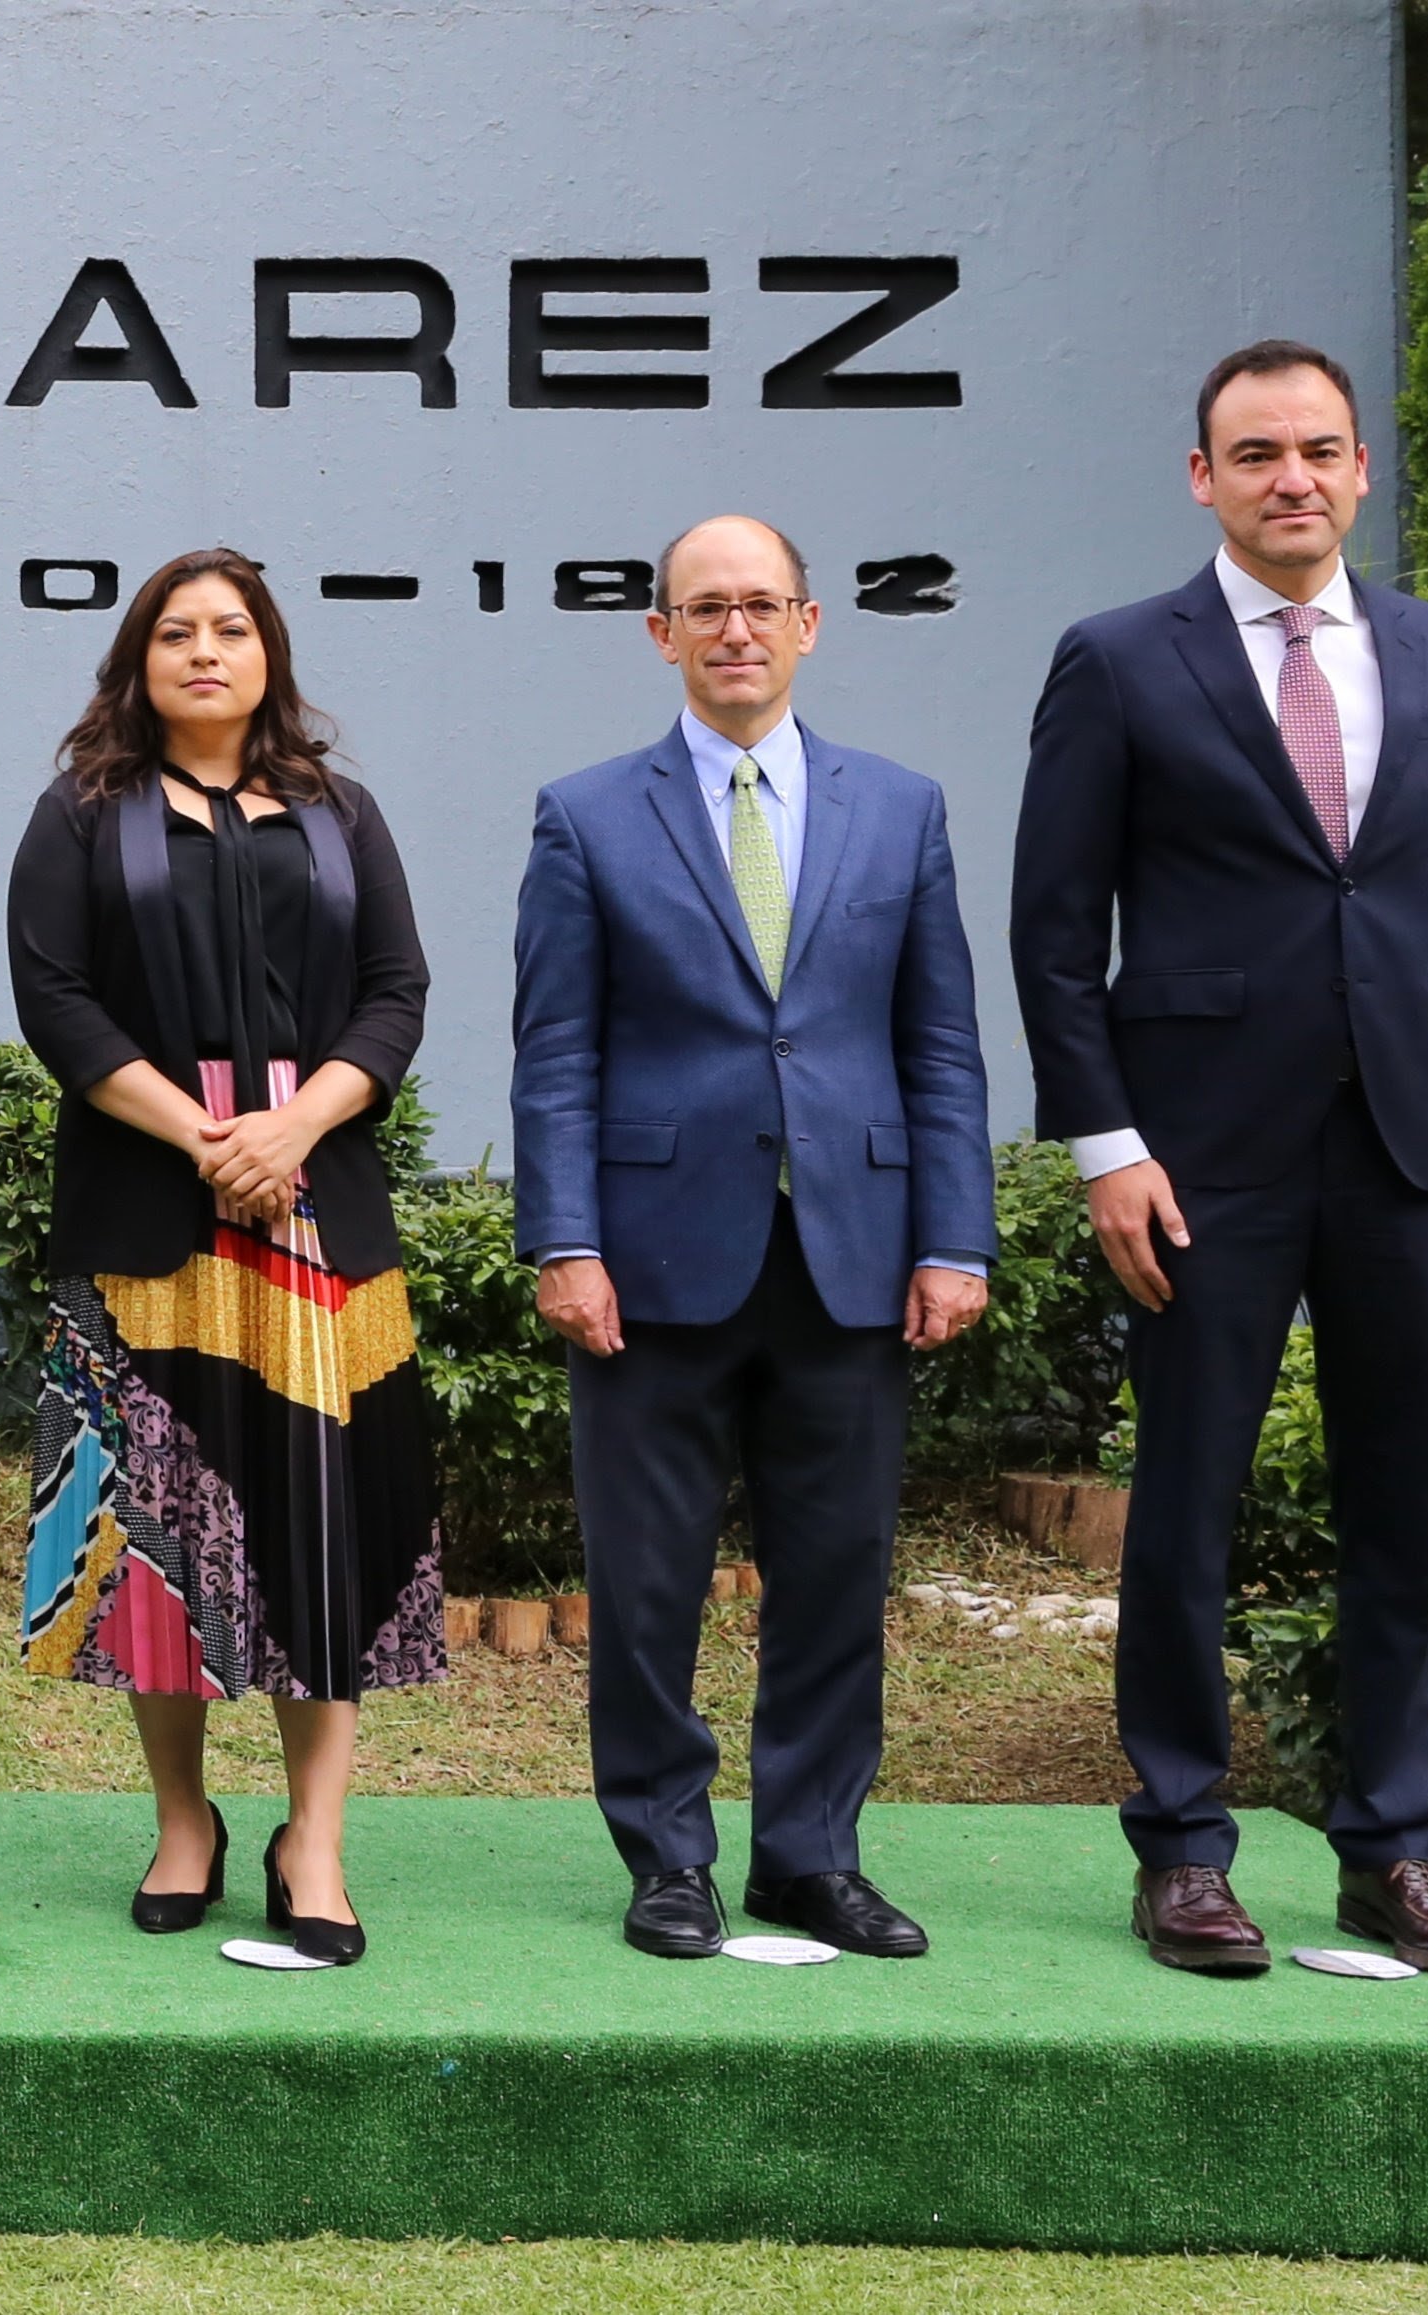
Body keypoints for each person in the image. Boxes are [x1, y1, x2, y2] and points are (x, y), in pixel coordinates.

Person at [1013, 340, 1428, 1979]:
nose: (1290, 478)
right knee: (1182, 1505)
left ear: (1360, 469)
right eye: (1253, 454)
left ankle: (1389, 1849)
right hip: (1199, 1158)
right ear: (1201, 478)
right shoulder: (1116, 660)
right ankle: (1179, 1844)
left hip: (1413, 1144)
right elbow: (1052, 936)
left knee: (1404, 1508)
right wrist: (1106, 1147)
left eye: (1318, 449)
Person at [512, 515, 992, 1962]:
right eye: (702, 609)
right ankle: (665, 1859)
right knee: (648, 1583)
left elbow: (941, 1045)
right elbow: (554, 1052)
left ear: (807, 624)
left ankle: (809, 1856)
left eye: (759, 606)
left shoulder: (898, 809)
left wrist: (953, 1236)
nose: (733, 631)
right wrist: (563, 1238)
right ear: (659, 634)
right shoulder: (586, 812)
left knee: (836, 1575)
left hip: (852, 1248)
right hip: (650, 1260)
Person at [4, 548, 434, 1966]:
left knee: (324, 1525)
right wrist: (205, 1139)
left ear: (268, 656)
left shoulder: (337, 812)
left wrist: (290, 1125)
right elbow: (55, 1003)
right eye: (174, 633)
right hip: (149, 1203)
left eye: (229, 630)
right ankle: (182, 1815)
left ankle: (314, 1834)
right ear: (137, 663)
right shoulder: (80, 819)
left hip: (316, 1203)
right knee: (161, 1534)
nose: (203, 652)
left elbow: (392, 993)